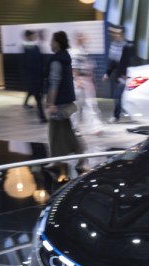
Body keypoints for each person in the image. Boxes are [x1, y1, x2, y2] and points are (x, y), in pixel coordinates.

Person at [45, 31, 87, 183]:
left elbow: (54, 83)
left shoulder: (57, 61)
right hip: (65, 101)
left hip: (59, 103)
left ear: (58, 42)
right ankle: (61, 160)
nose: (50, 44)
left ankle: (77, 158)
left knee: (60, 134)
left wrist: (51, 103)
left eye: (52, 40)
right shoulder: (65, 57)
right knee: (59, 133)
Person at [71, 31, 104, 135]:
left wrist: (93, 82)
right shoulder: (74, 52)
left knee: (91, 104)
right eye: (80, 36)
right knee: (77, 106)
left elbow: (92, 69)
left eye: (83, 36)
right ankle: (74, 127)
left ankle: (95, 127)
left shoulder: (87, 52)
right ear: (76, 39)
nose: (83, 38)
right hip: (79, 81)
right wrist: (77, 80)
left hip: (88, 81)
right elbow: (74, 67)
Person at [102, 25, 133, 123]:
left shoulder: (127, 46)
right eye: (115, 34)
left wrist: (125, 74)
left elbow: (128, 61)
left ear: (122, 34)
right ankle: (120, 114)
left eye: (118, 34)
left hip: (124, 76)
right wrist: (107, 73)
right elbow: (113, 62)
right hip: (118, 76)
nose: (116, 35)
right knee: (120, 96)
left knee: (117, 96)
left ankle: (116, 116)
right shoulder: (114, 45)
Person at [21, 29, 46, 122]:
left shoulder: (35, 47)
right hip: (33, 77)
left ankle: (41, 115)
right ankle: (42, 116)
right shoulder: (27, 48)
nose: (33, 37)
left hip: (38, 76)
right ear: (28, 37)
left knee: (39, 97)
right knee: (38, 98)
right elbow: (25, 64)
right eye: (32, 35)